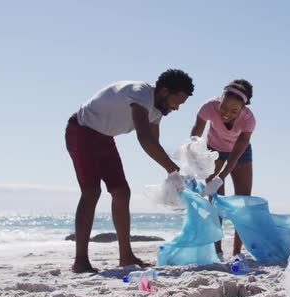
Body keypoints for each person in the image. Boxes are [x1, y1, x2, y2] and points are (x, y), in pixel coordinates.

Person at [65, 69, 194, 273]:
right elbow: (145, 139)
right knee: (91, 192)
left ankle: (126, 256)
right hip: (81, 130)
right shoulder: (141, 93)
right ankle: (80, 261)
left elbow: (154, 144)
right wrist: (172, 169)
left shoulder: (157, 112)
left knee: (121, 192)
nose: (176, 108)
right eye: (176, 101)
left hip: (104, 138)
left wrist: (174, 172)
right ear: (164, 91)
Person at [190, 79, 256, 261]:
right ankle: (217, 251)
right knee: (216, 201)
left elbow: (235, 155)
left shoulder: (249, 120)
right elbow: (195, 136)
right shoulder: (209, 107)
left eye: (234, 111)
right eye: (224, 108)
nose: (227, 114)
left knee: (243, 202)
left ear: (243, 108)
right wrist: (193, 159)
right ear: (220, 100)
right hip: (213, 151)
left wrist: (221, 176)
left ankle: (236, 252)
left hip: (239, 154)